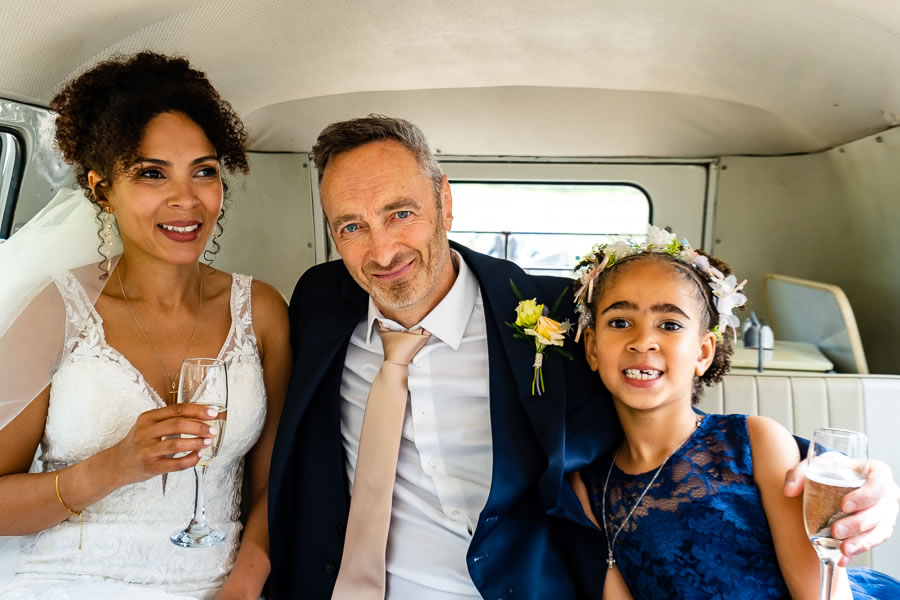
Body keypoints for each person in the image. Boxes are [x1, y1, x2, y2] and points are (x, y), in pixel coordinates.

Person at [267, 115, 899, 599]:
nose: (381, 252)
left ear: (445, 202)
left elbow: (671, 416)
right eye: (350, 226)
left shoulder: (561, 319)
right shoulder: (321, 300)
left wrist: (857, 482)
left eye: (400, 213)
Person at [0, 52, 291, 600]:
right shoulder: (57, 311)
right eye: (152, 173)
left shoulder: (262, 311)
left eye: (204, 171)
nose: (187, 199)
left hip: (220, 584)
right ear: (102, 189)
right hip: (68, 583)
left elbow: (275, 486)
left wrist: (245, 584)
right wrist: (112, 466)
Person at [567, 229, 900, 599]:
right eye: (619, 322)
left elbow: (821, 593)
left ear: (703, 352)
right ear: (592, 348)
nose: (643, 340)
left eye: (670, 325)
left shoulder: (755, 443)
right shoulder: (588, 486)